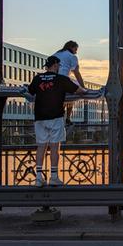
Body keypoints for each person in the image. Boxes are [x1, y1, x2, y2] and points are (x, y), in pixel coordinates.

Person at [28, 55, 86, 187]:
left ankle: (38, 177)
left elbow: (30, 92)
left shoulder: (37, 78)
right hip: (55, 116)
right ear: (55, 65)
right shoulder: (61, 79)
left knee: (41, 146)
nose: (60, 68)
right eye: (59, 65)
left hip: (40, 117)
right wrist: (86, 91)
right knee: (55, 146)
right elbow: (79, 91)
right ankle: (53, 176)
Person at [54, 41, 86, 127]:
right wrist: (83, 87)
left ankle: (61, 115)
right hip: (64, 79)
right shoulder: (72, 56)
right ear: (71, 47)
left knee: (62, 97)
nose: (76, 51)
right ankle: (68, 117)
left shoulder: (56, 53)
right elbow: (76, 73)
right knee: (72, 95)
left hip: (53, 79)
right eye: (76, 49)